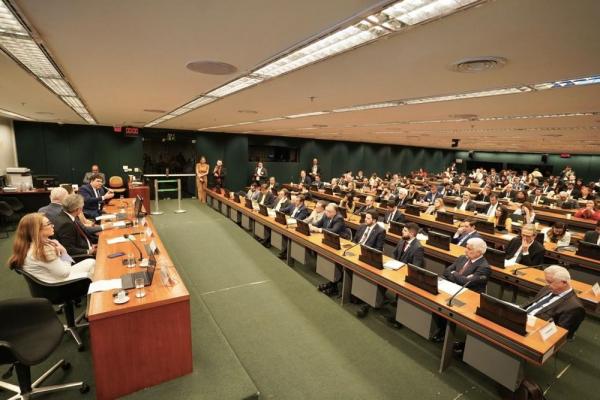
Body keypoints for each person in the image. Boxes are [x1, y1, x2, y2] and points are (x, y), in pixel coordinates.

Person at [432, 238, 491, 342]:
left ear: (479, 252)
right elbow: (446, 271)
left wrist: (454, 273)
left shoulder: (484, 267)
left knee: (446, 302)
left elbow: (467, 283)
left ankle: (445, 332)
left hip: (468, 296)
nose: (465, 250)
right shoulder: (462, 258)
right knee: (436, 297)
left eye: (469, 249)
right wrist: (459, 276)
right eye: (466, 247)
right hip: (453, 288)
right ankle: (441, 328)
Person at [8, 213, 95, 283]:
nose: (53, 225)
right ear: (37, 230)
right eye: (48, 224)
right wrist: (64, 252)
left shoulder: (26, 244)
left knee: (91, 262)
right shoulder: (42, 249)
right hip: (57, 284)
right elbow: (64, 273)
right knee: (92, 275)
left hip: (49, 278)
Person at [522, 266, 585, 338]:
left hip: (534, 332)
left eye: (550, 282)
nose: (547, 284)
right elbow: (532, 303)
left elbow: (559, 334)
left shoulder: (575, 307)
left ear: (564, 282)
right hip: (522, 317)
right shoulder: (548, 288)